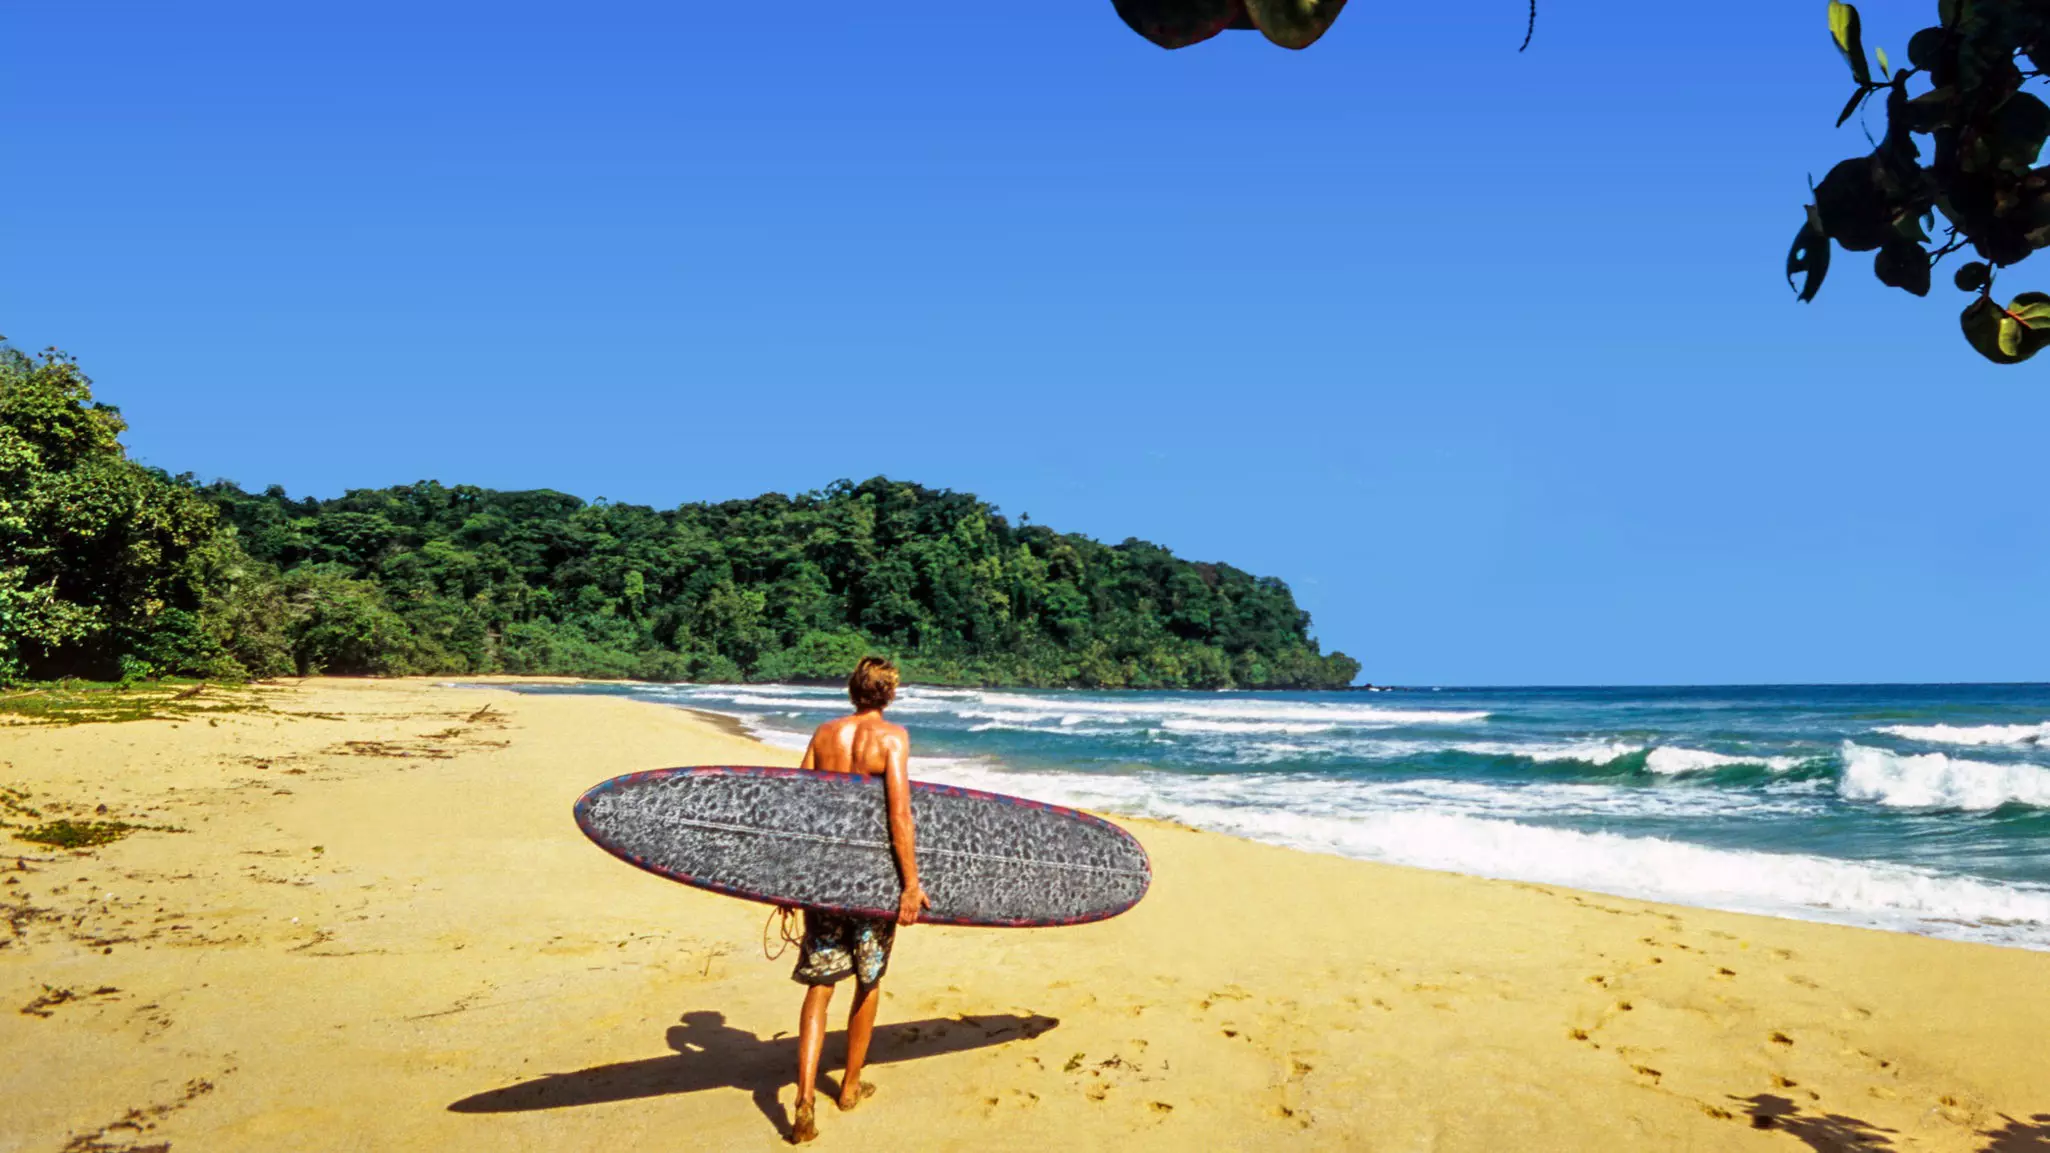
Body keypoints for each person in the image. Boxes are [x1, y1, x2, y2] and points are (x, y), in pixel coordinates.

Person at [787, 656, 930, 1143]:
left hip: (823, 881)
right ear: (888, 695)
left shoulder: (824, 735)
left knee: (820, 985)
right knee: (868, 981)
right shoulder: (892, 739)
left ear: (853, 691)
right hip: (870, 883)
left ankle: (804, 1100)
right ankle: (849, 1086)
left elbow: (797, 809)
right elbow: (900, 815)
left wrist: (786, 881)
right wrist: (910, 885)